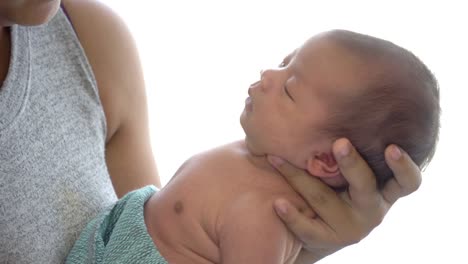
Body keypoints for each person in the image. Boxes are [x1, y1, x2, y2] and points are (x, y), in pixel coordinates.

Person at [66, 30, 439, 263]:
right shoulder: (253, 156)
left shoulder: (265, 215)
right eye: (284, 62)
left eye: (290, 88)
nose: (268, 76)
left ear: (326, 159)